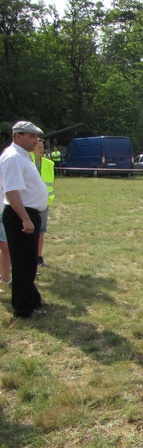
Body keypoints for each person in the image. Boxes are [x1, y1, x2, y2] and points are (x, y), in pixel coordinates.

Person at [0, 121, 49, 318]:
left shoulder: (23, 156)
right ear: (17, 136)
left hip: (29, 214)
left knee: (29, 263)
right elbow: (12, 191)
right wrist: (25, 219)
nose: (35, 140)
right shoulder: (12, 158)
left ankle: (32, 299)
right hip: (20, 215)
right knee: (22, 264)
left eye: (36, 136)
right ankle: (23, 308)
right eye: (31, 136)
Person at [31, 138, 55, 268]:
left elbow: (51, 182)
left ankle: (39, 257)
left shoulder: (49, 164)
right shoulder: (26, 162)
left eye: (42, 147)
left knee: (41, 230)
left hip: (44, 202)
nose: (41, 149)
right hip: (29, 203)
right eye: (38, 147)